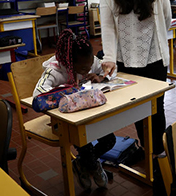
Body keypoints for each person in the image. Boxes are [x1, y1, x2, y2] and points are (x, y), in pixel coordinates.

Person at [100, 0, 171, 155]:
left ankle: (159, 152)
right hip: (125, 59)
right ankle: (147, 148)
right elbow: (107, 27)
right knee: (137, 109)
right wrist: (110, 58)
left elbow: (166, 20)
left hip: (154, 58)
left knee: (156, 108)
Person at [32, 29, 115, 190]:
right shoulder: (54, 71)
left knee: (109, 140)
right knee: (86, 145)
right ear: (69, 63)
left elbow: (109, 70)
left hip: (90, 115)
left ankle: (80, 164)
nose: (88, 70)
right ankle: (91, 164)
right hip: (65, 122)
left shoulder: (89, 61)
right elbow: (38, 95)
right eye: (83, 69)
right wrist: (68, 92)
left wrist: (101, 77)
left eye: (90, 66)